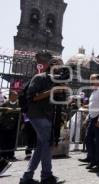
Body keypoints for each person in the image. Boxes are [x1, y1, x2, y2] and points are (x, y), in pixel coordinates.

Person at [19, 56, 65, 184]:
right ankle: (46, 176)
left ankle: (26, 178)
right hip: (37, 114)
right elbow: (32, 97)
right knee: (47, 144)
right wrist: (52, 90)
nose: (60, 67)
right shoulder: (39, 78)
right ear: (50, 65)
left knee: (40, 147)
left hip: (48, 116)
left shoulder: (55, 80)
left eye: (61, 65)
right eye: (57, 64)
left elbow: (59, 99)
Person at [0, 91, 20, 160]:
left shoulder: (18, 104)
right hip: (4, 125)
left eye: (16, 96)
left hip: (14, 126)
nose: (15, 97)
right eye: (14, 95)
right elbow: (1, 108)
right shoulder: (5, 103)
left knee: (12, 141)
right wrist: (7, 109)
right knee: (4, 141)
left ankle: (11, 155)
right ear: (10, 96)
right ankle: (3, 156)